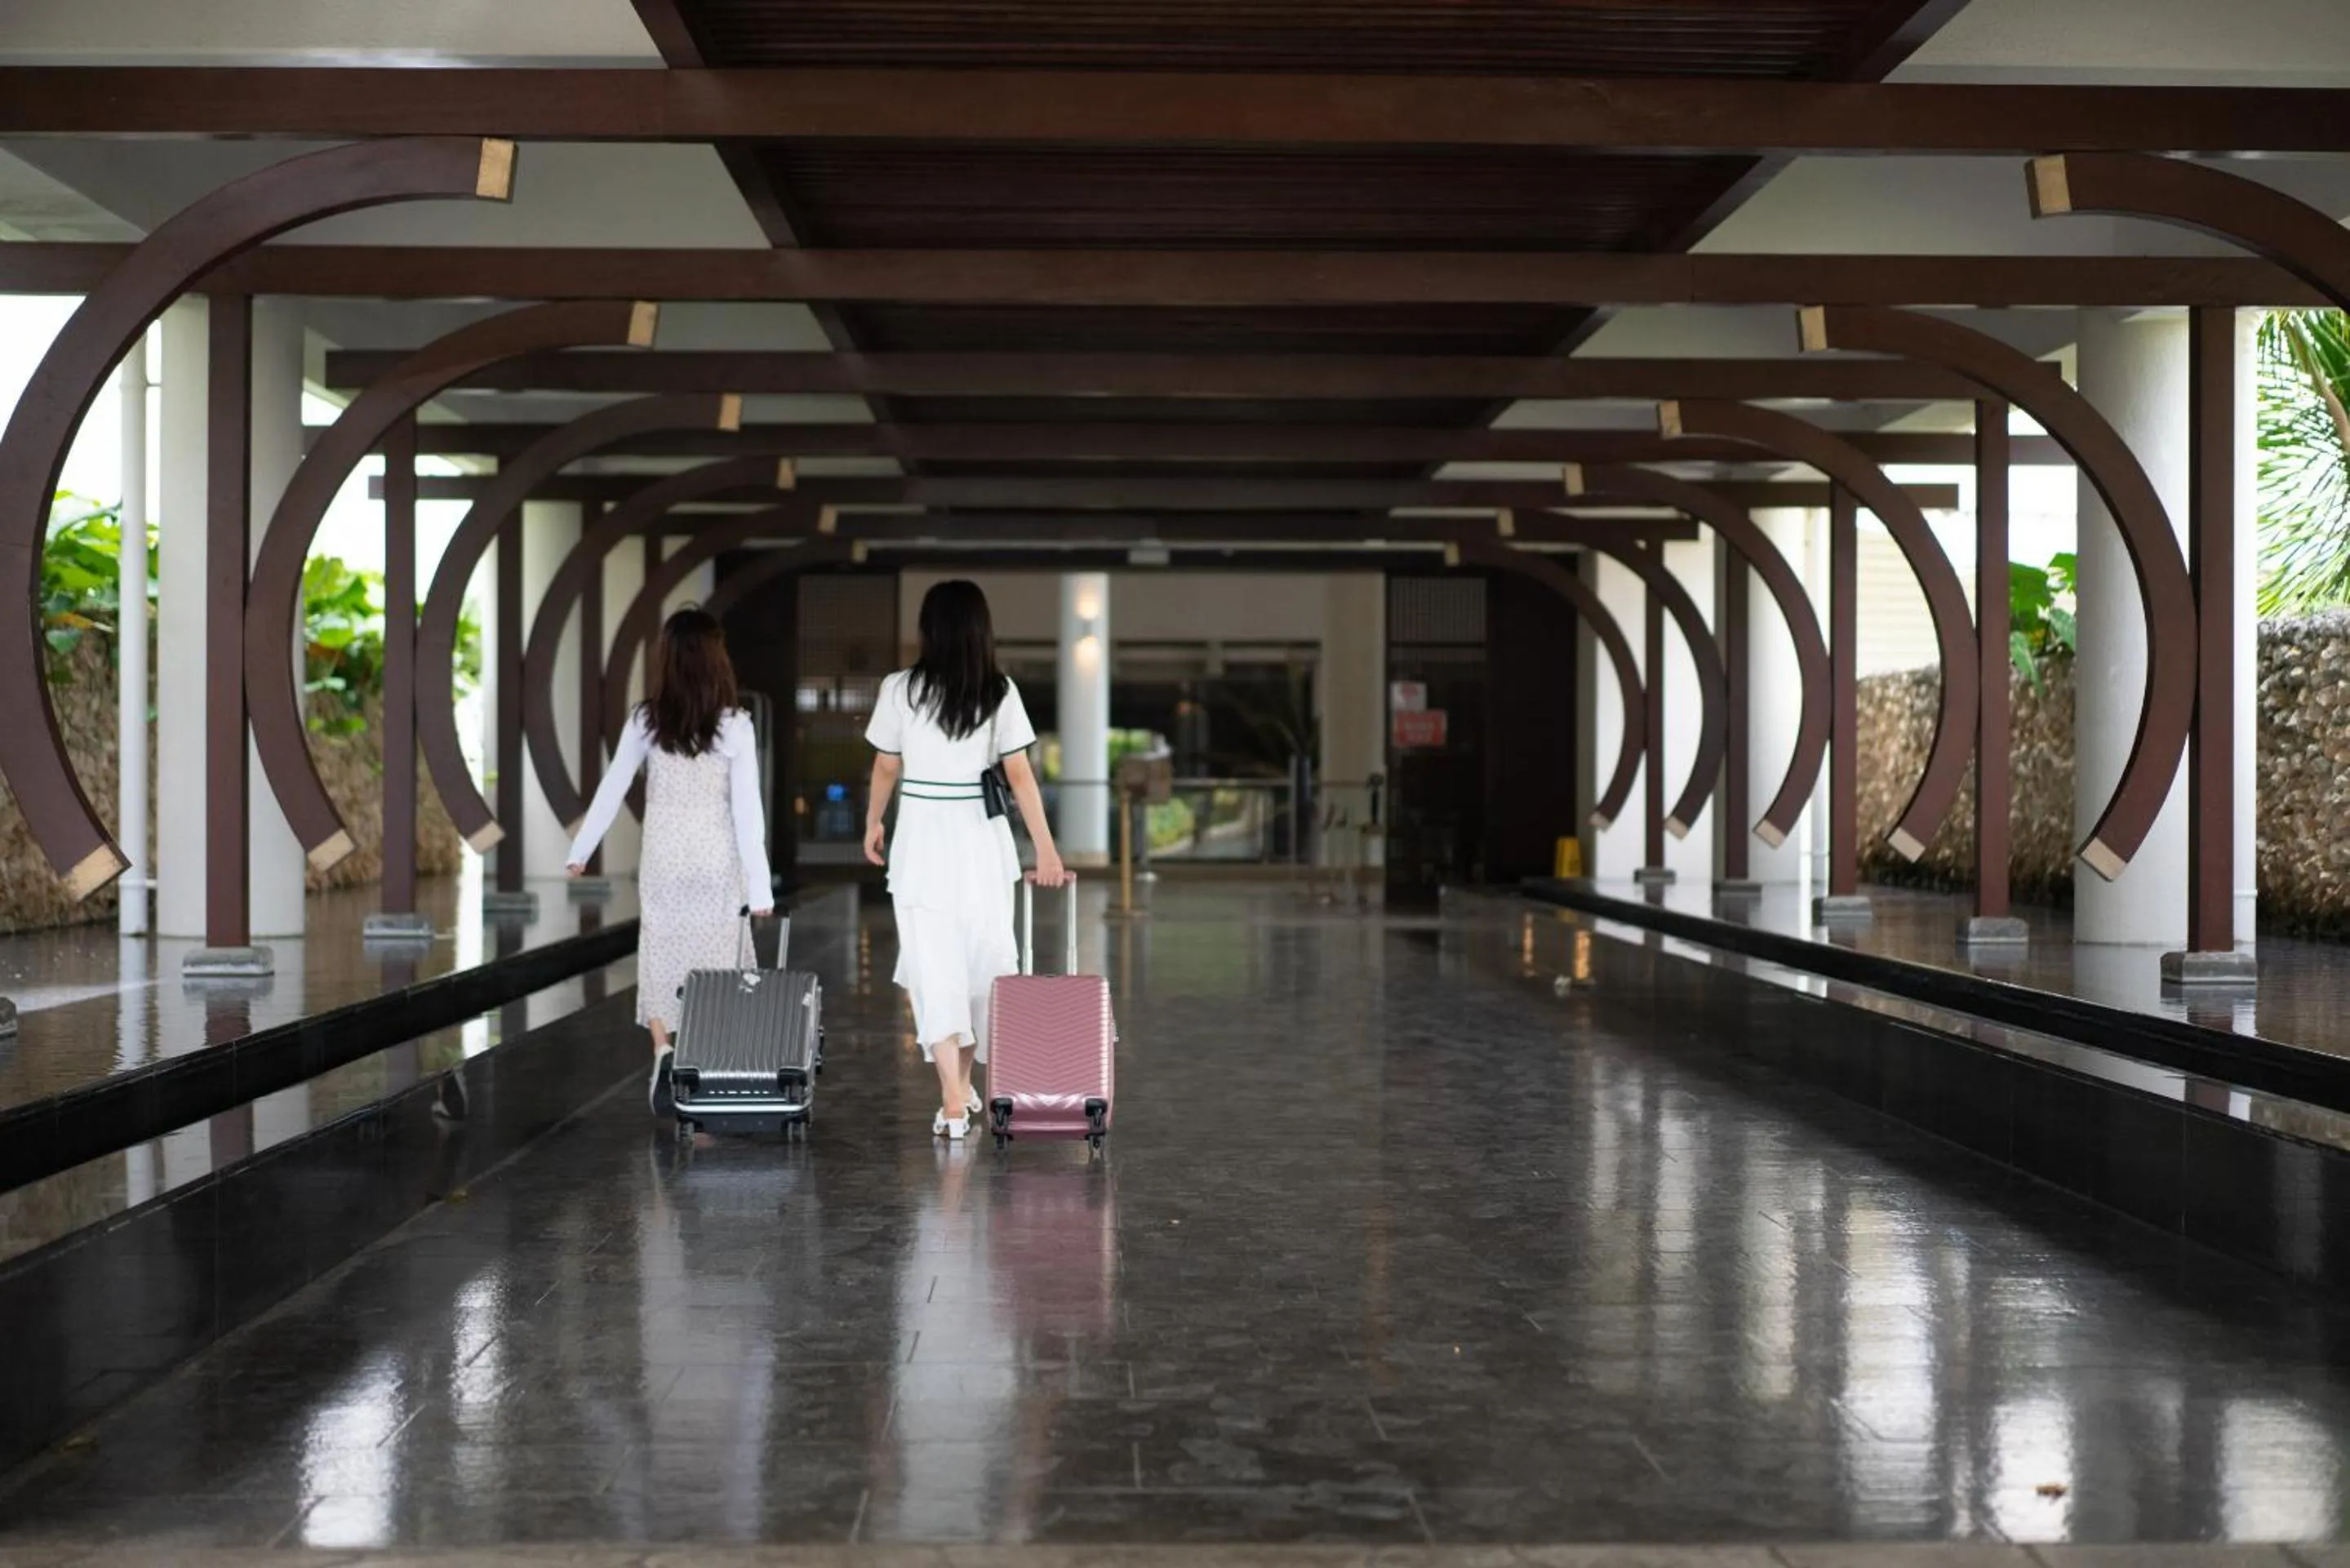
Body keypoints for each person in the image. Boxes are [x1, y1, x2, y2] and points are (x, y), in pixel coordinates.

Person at [864, 580, 1068, 1140]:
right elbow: (1020, 773)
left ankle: (953, 1102)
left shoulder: (899, 689)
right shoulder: (998, 691)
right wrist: (1046, 850)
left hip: (922, 843)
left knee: (934, 969)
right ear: (982, 630)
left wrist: (873, 820)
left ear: (927, 629)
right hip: (981, 842)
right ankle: (959, 1089)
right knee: (983, 967)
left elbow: (886, 765)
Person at [566, 606, 774, 1117]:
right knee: (716, 965)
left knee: (661, 950)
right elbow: (748, 812)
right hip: (715, 855)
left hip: (663, 855)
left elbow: (612, 786)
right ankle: (701, 1067)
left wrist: (581, 851)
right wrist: (762, 887)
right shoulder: (736, 726)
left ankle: (663, 1048)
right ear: (716, 661)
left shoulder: (646, 720)